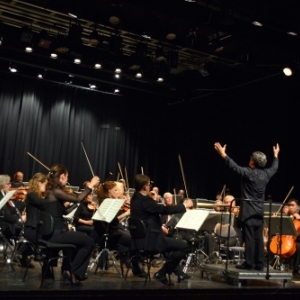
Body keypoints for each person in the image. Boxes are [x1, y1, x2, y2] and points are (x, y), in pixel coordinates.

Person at [214, 142, 279, 271]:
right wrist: (276, 156)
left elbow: (234, 167)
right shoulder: (266, 174)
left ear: (252, 162)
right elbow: (274, 168)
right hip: (259, 212)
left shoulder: (248, 173)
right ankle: (259, 264)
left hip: (248, 213)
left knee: (249, 239)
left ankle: (249, 263)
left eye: (250, 159)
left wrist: (223, 154)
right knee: (258, 239)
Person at [130, 174, 194, 284]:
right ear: (145, 187)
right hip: (151, 241)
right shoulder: (145, 201)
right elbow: (164, 210)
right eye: (149, 184)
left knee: (170, 250)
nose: (150, 186)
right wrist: (183, 206)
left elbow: (150, 210)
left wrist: (152, 198)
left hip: (139, 240)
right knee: (184, 246)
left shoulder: (135, 198)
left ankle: (177, 273)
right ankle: (162, 273)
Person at [43, 164, 100, 286]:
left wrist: (74, 204)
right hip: (57, 233)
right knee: (89, 241)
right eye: (67, 177)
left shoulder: (52, 192)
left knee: (82, 241)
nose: (67, 179)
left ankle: (72, 271)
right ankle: (74, 272)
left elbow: (65, 211)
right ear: (62, 176)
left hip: (56, 232)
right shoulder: (56, 191)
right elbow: (78, 198)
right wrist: (90, 185)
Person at [96, 181, 145, 277]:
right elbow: (111, 221)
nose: (118, 192)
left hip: (116, 231)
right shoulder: (107, 203)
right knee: (135, 240)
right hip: (111, 233)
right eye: (115, 190)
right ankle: (135, 266)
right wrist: (126, 213)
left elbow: (116, 220)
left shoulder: (115, 202)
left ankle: (128, 258)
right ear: (109, 191)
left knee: (136, 238)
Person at [0, 174, 29, 267]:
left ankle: (21, 254)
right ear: (2, 185)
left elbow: (13, 210)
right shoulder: (1, 197)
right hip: (5, 226)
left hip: (9, 223)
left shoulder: (5, 195)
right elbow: (6, 216)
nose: (10, 186)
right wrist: (20, 219)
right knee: (28, 232)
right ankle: (20, 254)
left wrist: (24, 202)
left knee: (28, 230)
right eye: (8, 184)